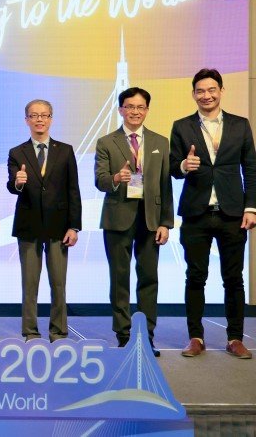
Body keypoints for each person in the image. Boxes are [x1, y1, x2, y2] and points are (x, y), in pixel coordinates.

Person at [170, 68, 256, 359]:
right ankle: (196, 337)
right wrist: (184, 166)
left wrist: (251, 207)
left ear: (221, 91)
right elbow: (172, 167)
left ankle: (235, 338)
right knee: (195, 277)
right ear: (194, 94)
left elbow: (251, 168)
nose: (206, 95)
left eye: (211, 90)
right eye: (200, 91)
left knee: (233, 279)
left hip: (232, 213)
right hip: (196, 213)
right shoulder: (181, 126)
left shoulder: (240, 125)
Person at [95, 87, 173, 357]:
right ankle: (124, 336)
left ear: (147, 110)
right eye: (129, 106)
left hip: (151, 220)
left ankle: (146, 337)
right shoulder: (106, 142)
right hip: (117, 219)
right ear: (121, 110)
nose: (135, 112)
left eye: (140, 107)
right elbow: (100, 181)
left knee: (149, 279)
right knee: (120, 280)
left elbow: (166, 185)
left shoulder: (161, 142)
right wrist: (116, 178)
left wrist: (166, 223)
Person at [8, 100, 81, 343]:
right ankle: (30, 332)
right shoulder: (17, 152)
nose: (39, 120)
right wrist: (17, 182)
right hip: (28, 225)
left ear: (51, 118)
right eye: (34, 116)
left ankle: (58, 332)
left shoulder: (65, 150)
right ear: (26, 120)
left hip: (59, 227)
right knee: (29, 284)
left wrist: (74, 226)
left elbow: (73, 190)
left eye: (44, 115)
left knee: (58, 284)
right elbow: (12, 186)